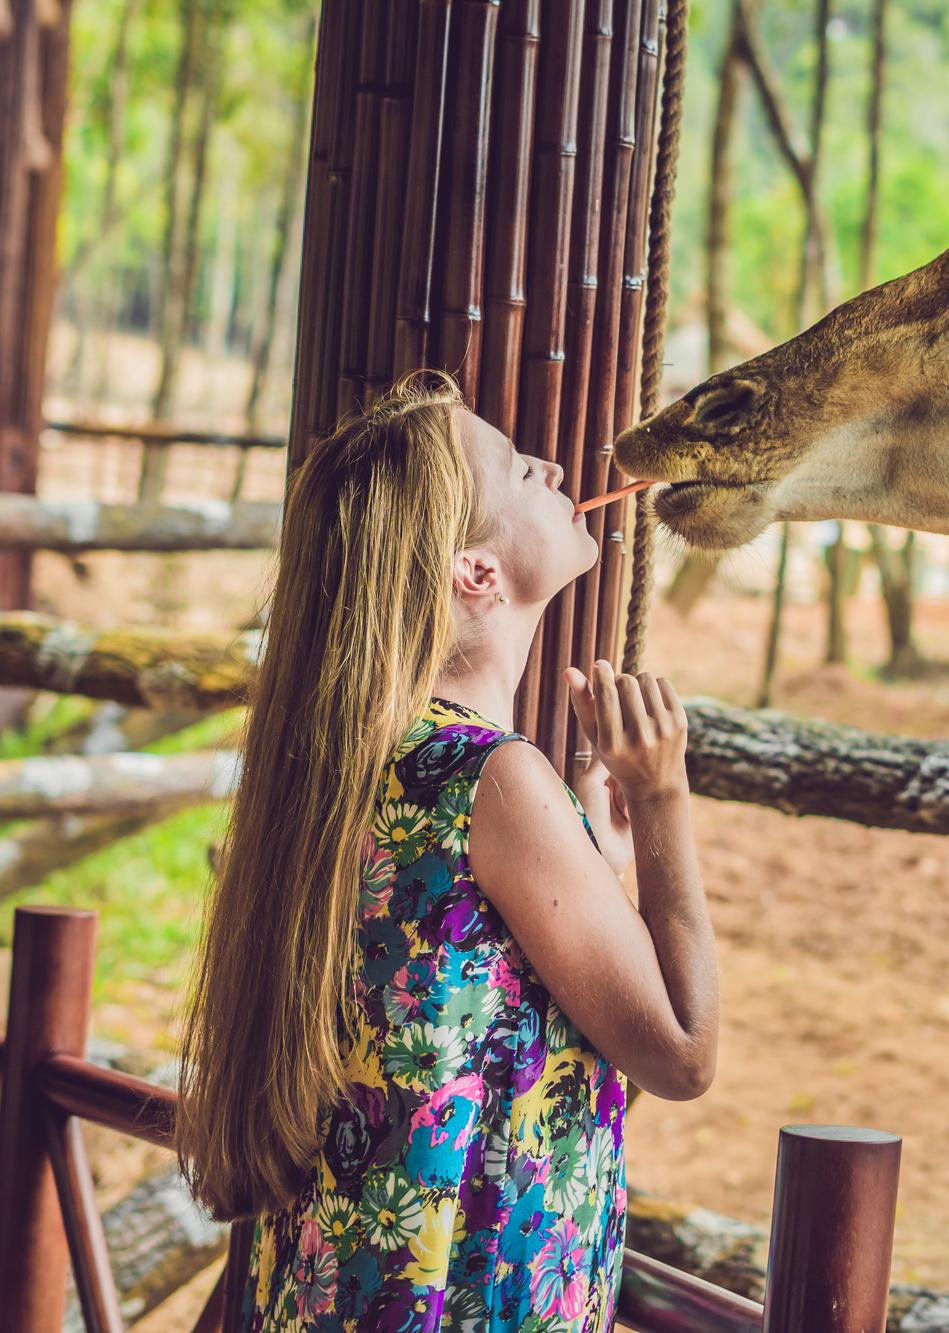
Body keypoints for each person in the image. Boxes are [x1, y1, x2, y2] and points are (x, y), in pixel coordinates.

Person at [175, 370, 720, 1332]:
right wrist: (665, 796)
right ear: (476, 571)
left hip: (334, 1286)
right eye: (519, 470)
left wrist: (606, 860)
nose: (552, 466)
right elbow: (680, 1053)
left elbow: (513, 1037)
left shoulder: (355, 759)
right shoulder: (493, 779)